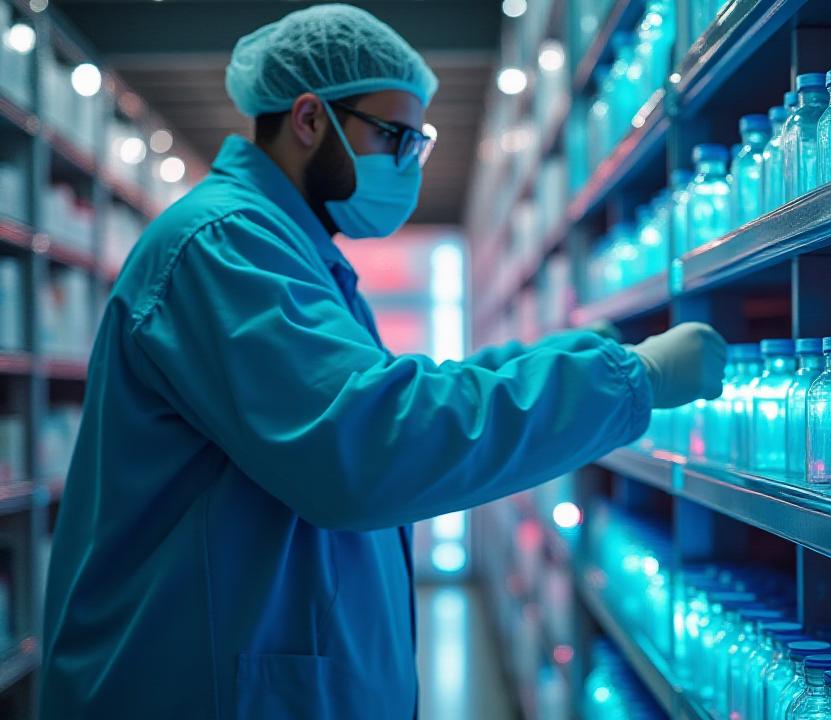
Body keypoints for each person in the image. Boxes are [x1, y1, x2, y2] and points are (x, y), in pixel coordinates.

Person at [39, 5, 725, 718]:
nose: (406, 164)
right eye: (392, 135)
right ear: (309, 119)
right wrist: (626, 381)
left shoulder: (293, 255)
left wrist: (590, 355)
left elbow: (399, 398)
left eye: (416, 143)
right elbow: (369, 443)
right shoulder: (223, 247)